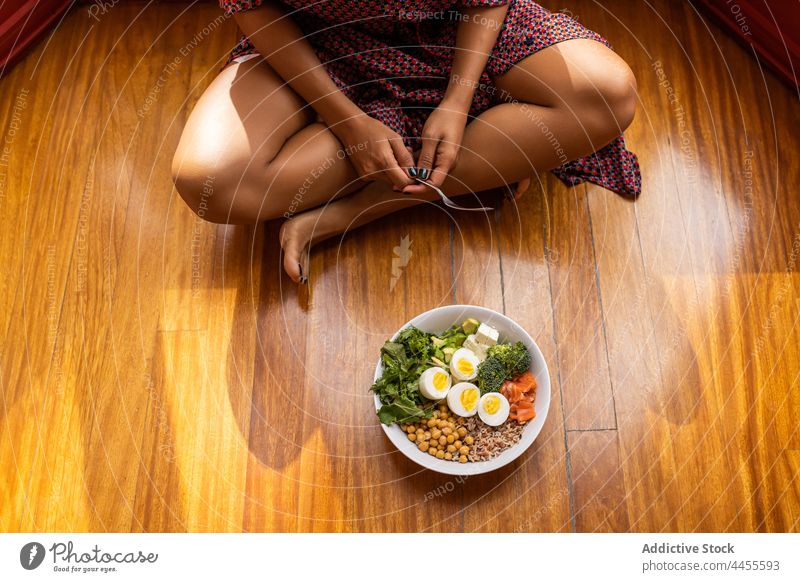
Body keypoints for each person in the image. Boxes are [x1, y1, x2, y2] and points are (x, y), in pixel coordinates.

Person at [172, 0, 639, 283]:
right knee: (210, 182)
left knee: (607, 96)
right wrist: (351, 123)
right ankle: (481, 161)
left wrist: (459, 100)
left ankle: (364, 206)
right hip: (315, 42)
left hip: (457, 27)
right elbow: (253, 6)